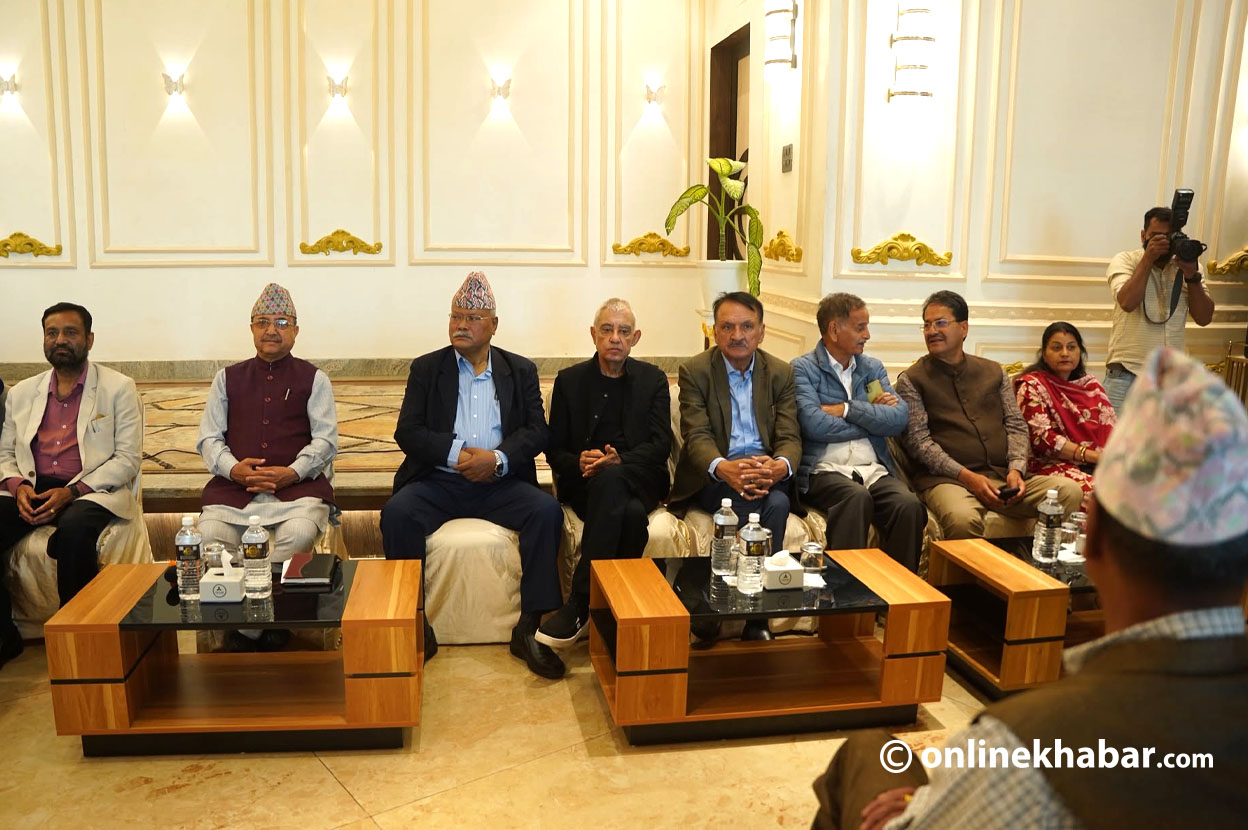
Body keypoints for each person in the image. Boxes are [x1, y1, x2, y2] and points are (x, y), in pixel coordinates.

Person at [811, 346, 1248, 829]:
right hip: (954, 481)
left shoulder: (1024, 745)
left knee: (869, 750)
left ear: (1093, 540)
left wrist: (917, 811)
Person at [380, 271, 565, 679]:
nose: (461, 325)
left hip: (501, 482)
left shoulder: (520, 370)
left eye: (472, 318)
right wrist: (457, 454)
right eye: (455, 316)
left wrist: (497, 459)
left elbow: (538, 431)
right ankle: (414, 623)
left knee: (546, 512)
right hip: (438, 481)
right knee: (397, 514)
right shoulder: (428, 369)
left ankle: (529, 628)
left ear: (493, 325)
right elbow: (407, 432)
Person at [0, 303, 143, 669]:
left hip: (90, 488)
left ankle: (79, 641)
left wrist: (72, 492)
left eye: (70, 332)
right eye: (52, 333)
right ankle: (4, 636)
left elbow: (127, 459)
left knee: (76, 531)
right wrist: (18, 486)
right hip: (33, 485)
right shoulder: (22, 393)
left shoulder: (118, 388)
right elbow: (5, 454)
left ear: (89, 340)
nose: (60, 340)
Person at [196, 284, 338, 651]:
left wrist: (292, 472)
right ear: (252, 329)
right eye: (262, 322)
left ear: (295, 330)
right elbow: (209, 438)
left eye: (281, 322)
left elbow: (325, 441)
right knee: (210, 535)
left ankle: (250, 628)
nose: (271, 330)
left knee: (299, 534)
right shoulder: (227, 378)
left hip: (296, 492)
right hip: (235, 491)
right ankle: (258, 624)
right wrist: (234, 469)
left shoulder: (314, 379)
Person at [537, 299, 671, 649]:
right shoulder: (569, 381)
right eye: (607, 330)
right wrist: (578, 462)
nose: (615, 338)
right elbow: (554, 449)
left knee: (612, 479)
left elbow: (661, 446)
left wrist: (620, 460)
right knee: (630, 514)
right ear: (593, 334)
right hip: (586, 485)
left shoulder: (653, 380)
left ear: (635, 338)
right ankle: (613, 613)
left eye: (624, 331)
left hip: (641, 478)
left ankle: (581, 602)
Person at [895, 291, 1083, 540]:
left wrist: (1016, 469)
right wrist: (968, 477)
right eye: (927, 325)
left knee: (1068, 491)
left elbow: (1016, 425)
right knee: (962, 520)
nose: (932, 331)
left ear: (963, 328)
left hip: (1002, 476)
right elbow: (920, 444)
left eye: (940, 323)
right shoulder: (912, 380)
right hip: (949, 481)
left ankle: (1044, 564)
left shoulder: (993, 372)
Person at [668, 291, 801, 640]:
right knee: (774, 505)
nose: (737, 335)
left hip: (766, 475)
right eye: (727, 327)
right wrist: (726, 469)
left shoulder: (781, 373)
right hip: (716, 477)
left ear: (761, 331)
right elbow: (697, 435)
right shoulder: (696, 371)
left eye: (746, 326)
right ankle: (754, 616)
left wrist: (779, 466)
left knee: (778, 499)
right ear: (714, 331)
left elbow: (790, 436)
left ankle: (710, 597)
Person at [792, 294, 925, 572]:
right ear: (834, 329)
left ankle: (896, 592)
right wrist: (871, 417)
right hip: (824, 471)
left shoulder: (870, 368)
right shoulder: (803, 369)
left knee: (908, 505)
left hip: (873, 471)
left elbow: (897, 419)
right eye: (860, 327)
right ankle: (844, 593)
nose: (867, 335)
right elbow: (814, 424)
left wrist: (846, 409)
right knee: (855, 497)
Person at [1104, 205, 1214, 412]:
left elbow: (1204, 318)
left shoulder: (1188, 267)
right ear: (1143, 235)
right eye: (1156, 236)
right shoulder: (1126, 260)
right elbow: (1127, 302)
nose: (1163, 242)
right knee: (1115, 434)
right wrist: (1148, 259)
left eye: (1169, 237)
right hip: (1126, 375)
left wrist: (1192, 276)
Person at [1014, 322, 1115, 493]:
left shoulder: (1091, 387)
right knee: (1101, 492)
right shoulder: (1032, 386)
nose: (1065, 353)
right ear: (1044, 354)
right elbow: (1043, 440)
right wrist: (1093, 457)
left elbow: (1111, 430)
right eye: (1056, 348)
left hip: (1097, 464)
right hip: (1049, 465)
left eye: (1071, 347)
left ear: (1080, 352)